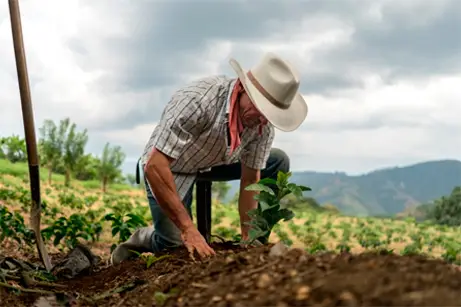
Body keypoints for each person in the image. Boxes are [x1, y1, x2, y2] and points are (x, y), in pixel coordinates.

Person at [110, 52, 308, 265]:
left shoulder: (261, 125)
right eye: (261, 109)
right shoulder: (197, 101)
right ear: (243, 89)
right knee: (173, 246)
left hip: (215, 161)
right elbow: (155, 165)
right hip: (172, 165)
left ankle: (257, 243)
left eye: (269, 115)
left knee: (277, 160)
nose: (263, 120)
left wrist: (249, 240)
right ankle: (144, 238)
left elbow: (251, 180)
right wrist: (188, 229)